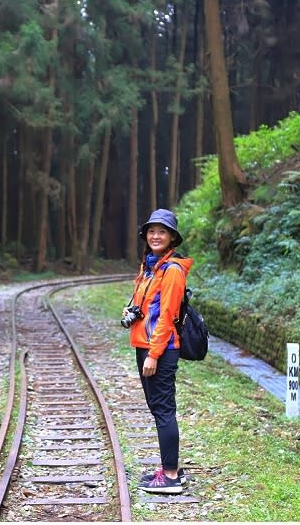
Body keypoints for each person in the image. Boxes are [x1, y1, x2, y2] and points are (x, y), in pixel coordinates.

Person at [124, 208, 192, 494]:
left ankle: (171, 476)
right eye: (151, 231)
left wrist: (154, 354)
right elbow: (146, 308)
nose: (155, 235)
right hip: (146, 346)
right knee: (159, 409)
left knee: (163, 410)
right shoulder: (151, 267)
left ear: (172, 237)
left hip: (160, 351)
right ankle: (169, 467)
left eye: (162, 231)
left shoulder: (172, 271)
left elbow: (166, 316)